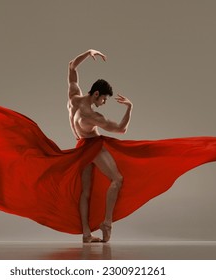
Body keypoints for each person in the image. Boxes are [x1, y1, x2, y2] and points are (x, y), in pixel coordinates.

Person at [67, 49, 133, 242]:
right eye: (104, 99)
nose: (104, 103)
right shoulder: (93, 116)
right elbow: (121, 129)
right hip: (92, 146)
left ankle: (87, 234)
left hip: (80, 146)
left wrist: (87, 53)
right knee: (117, 179)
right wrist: (130, 108)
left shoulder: (73, 98)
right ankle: (107, 222)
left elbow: (71, 65)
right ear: (96, 93)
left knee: (86, 192)